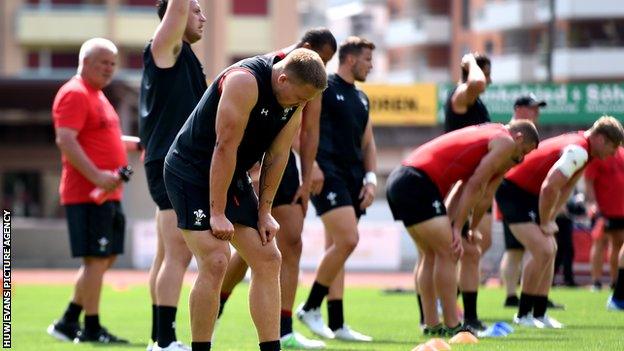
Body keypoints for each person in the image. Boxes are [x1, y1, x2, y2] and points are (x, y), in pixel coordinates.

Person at [164, 48, 327, 351]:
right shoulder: (244, 81)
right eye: (299, 98)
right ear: (282, 79)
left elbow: (277, 156)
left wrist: (265, 212)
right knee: (216, 259)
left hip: (232, 171)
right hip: (190, 170)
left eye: (307, 100)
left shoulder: (296, 99)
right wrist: (216, 213)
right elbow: (224, 146)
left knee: (269, 258)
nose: (301, 105)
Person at [217, 28, 336, 350]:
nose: (324, 67)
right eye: (324, 59)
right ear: (308, 49)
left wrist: (308, 174)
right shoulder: (271, 70)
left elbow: (308, 130)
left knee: (290, 242)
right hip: (249, 162)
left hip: (284, 165)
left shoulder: (312, 79)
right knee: (250, 249)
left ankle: (283, 330)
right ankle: (218, 304)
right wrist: (252, 168)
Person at [387, 121, 539, 336]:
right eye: (523, 151)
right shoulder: (505, 141)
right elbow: (476, 184)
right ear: (520, 137)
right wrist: (457, 229)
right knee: (448, 251)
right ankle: (452, 325)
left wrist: (463, 227)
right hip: (418, 182)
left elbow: (467, 188)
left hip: (401, 178)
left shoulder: (490, 132)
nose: (521, 158)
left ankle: (431, 325)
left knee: (429, 255)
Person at [496, 116, 624, 329]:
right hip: (513, 191)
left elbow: (565, 188)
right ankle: (523, 314)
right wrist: (545, 221)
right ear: (601, 139)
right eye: (613, 147)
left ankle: (539, 313)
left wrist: (552, 217)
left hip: (527, 194)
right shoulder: (580, 150)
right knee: (543, 249)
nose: (613, 154)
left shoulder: (588, 152)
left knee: (550, 248)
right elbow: (549, 187)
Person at [46, 38, 130, 344]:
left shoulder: (98, 95)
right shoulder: (75, 93)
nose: (109, 68)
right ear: (84, 62)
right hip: (87, 192)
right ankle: (91, 328)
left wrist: (137, 145)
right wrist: (96, 176)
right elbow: (65, 139)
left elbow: (106, 137)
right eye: (103, 62)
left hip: (108, 192)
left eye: (113, 63)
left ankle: (69, 320)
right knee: (95, 259)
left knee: (104, 258)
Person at [296, 36, 377, 342]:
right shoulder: (323, 86)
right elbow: (302, 128)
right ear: (351, 59)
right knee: (348, 240)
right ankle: (310, 306)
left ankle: (338, 323)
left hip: (354, 178)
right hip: (327, 174)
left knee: (338, 249)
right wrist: (311, 164)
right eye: (368, 60)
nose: (371, 66)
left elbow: (368, 142)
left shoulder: (362, 98)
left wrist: (371, 179)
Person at [139, 0, 207, 349]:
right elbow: (178, 7)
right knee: (178, 253)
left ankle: (158, 339)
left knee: (166, 253)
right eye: (196, 10)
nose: (203, 16)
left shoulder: (188, 60)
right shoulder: (165, 48)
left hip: (169, 161)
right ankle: (165, 341)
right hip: (171, 163)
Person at [442, 52, 492, 331]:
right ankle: (437, 315)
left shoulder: (476, 102)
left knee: (471, 252)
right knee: (446, 252)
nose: (489, 78)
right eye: (487, 72)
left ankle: (470, 318)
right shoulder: (462, 96)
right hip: (455, 186)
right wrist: (470, 61)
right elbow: (477, 84)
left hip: (468, 186)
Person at [499, 94, 547, 307]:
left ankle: (531, 292)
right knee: (517, 249)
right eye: (532, 108)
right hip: (511, 195)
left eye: (537, 109)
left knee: (525, 248)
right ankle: (513, 295)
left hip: (527, 196)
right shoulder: (510, 134)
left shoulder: (530, 134)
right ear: (519, 109)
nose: (536, 112)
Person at [585, 146, 624, 291]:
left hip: (621, 209)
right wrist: (591, 203)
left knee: (619, 245)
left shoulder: (622, 154)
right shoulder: (600, 154)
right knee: (599, 243)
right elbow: (588, 181)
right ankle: (596, 281)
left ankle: (615, 281)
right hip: (603, 209)